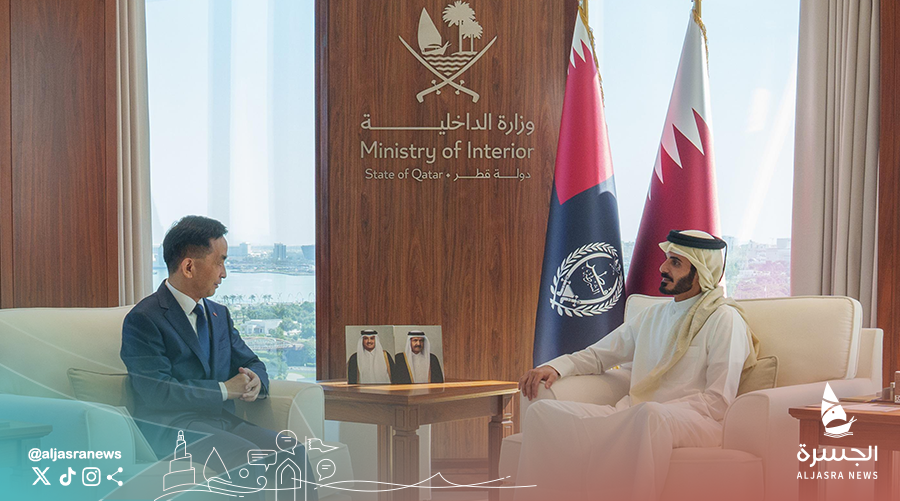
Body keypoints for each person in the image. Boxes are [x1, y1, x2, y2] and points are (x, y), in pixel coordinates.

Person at [515, 230, 759, 500]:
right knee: (542, 413)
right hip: (637, 414)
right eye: (667, 259)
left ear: (700, 271)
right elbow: (599, 355)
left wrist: (650, 411)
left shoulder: (724, 319)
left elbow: (718, 402)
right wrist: (557, 367)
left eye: (675, 263)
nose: (663, 268)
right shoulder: (652, 315)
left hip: (699, 423)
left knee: (650, 415)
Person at [121, 216, 315, 500]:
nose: (224, 273)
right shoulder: (143, 319)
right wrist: (225, 389)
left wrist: (255, 381)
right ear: (189, 266)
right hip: (172, 429)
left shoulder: (218, 314)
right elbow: (157, 391)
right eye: (220, 262)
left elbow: (252, 362)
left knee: (291, 449)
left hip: (220, 422)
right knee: (248, 457)